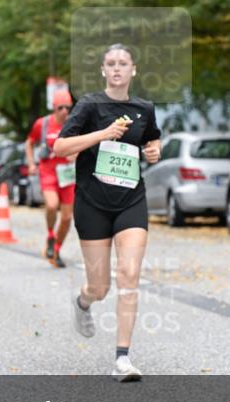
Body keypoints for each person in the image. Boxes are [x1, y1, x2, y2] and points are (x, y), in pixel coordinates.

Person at [53, 43, 162, 382]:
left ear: (133, 70)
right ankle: (83, 301)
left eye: (123, 63)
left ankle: (123, 359)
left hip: (131, 200)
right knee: (99, 287)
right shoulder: (89, 105)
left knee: (128, 274)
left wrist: (154, 149)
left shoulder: (144, 108)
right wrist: (104, 133)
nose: (117, 68)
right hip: (92, 203)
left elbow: (152, 141)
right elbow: (59, 147)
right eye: (111, 64)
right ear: (103, 71)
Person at [25, 89, 77, 268]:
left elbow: (81, 144)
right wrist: (31, 163)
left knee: (67, 217)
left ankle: (56, 249)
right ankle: (49, 234)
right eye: (60, 108)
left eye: (68, 108)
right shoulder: (43, 124)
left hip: (68, 174)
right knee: (52, 205)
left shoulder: (74, 124)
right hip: (48, 172)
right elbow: (29, 143)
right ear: (54, 107)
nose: (64, 112)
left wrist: (75, 154)